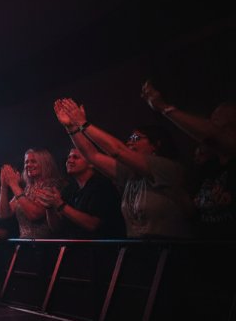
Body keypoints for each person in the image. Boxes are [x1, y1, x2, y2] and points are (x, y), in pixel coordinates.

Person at [54, 97, 193, 238]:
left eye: (136, 138)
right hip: (140, 253)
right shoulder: (130, 173)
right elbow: (92, 155)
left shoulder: (166, 168)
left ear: (155, 145)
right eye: (130, 138)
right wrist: (72, 128)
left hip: (171, 253)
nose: (130, 141)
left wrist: (82, 123)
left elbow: (118, 151)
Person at [141, 81, 235, 238]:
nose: (208, 126)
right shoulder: (209, 167)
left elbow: (211, 134)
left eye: (216, 123)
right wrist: (173, 189)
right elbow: (193, 210)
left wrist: (164, 108)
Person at [38, 147, 125, 239]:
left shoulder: (102, 186)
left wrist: (60, 205)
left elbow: (93, 225)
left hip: (99, 249)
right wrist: (49, 207)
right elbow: (57, 228)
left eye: (75, 157)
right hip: (73, 249)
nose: (69, 161)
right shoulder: (69, 189)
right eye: (69, 157)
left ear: (91, 163)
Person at [0, 148, 63, 239]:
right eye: (26, 162)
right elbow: (4, 214)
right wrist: (4, 187)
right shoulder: (26, 188)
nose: (28, 165)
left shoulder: (52, 186)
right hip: (24, 245)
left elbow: (34, 214)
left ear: (45, 164)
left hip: (45, 247)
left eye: (33, 161)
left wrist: (14, 185)